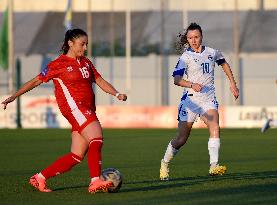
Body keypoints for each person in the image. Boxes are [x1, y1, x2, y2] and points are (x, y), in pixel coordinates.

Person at [1, 28, 127, 193]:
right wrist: (15, 95)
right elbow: (35, 81)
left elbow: (100, 80)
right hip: (75, 108)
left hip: (86, 109)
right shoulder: (58, 64)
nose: (85, 48)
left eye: (87, 44)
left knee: (76, 156)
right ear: (70, 43)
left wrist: (116, 93)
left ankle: (39, 177)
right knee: (96, 138)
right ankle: (95, 181)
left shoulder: (86, 62)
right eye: (82, 44)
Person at [159, 23, 239, 180]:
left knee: (214, 125)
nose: (193, 40)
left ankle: (214, 165)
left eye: (196, 37)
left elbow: (224, 64)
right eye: (190, 38)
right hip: (190, 102)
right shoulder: (185, 57)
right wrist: (191, 84)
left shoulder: (212, 52)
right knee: (181, 139)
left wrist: (233, 84)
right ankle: (164, 163)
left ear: (201, 36)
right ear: (187, 40)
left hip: (208, 100)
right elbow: (176, 79)